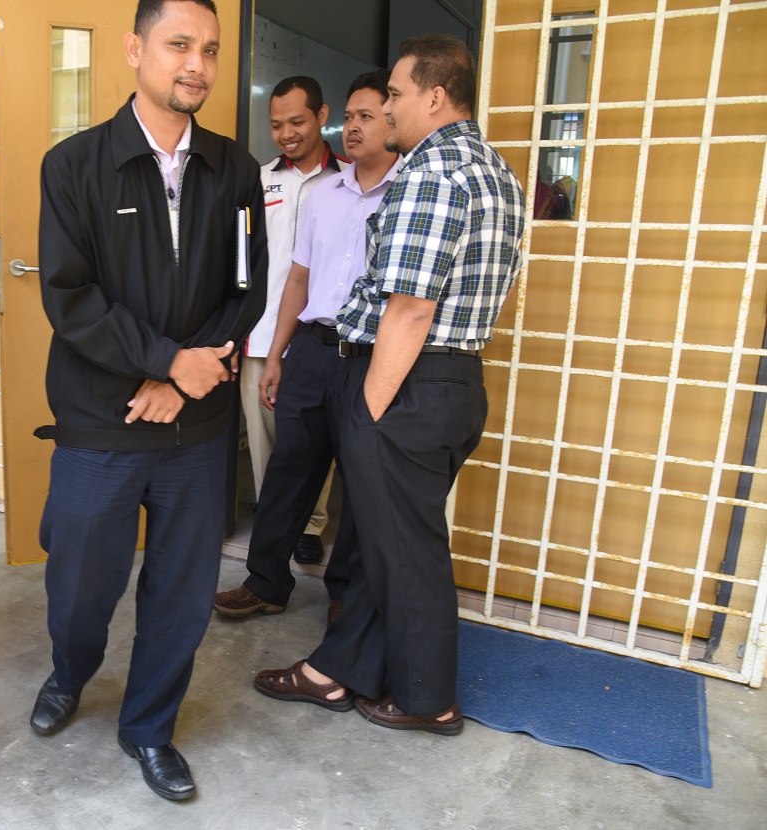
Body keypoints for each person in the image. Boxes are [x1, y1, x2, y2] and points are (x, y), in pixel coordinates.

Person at [253, 34, 525, 736]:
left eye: (396, 95)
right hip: (454, 381)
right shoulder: (495, 170)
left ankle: (427, 699)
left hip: (407, 383)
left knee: (407, 555)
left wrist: (370, 410)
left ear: (435, 96)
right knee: (389, 543)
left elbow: (409, 309)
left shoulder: (433, 174)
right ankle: (337, 670)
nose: (389, 108)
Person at [29, 0, 266, 801]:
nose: (197, 64)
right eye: (178, 44)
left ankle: (150, 728)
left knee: (181, 591)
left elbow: (246, 287)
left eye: (211, 49)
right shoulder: (74, 167)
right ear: (135, 49)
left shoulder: (236, 170)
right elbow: (71, 297)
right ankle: (70, 672)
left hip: (196, 428)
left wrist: (183, 379)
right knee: (79, 585)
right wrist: (164, 364)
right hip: (102, 420)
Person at [216, 70, 399, 625]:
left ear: (394, 121)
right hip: (311, 351)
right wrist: (276, 354)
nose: (354, 127)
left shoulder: (409, 194)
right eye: (352, 116)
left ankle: (344, 591)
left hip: (370, 354)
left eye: (367, 116)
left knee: (361, 477)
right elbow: (298, 277)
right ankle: (266, 582)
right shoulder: (324, 196)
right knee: (288, 472)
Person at [241, 76, 346, 567]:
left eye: (297, 122)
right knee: (264, 438)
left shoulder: (348, 179)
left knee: (311, 436)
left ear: (322, 116)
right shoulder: (259, 181)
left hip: (318, 335)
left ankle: (310, 524)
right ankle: (274, 521)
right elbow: (242, 260)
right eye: (277, 124)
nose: (286, 134)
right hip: (262, 333)